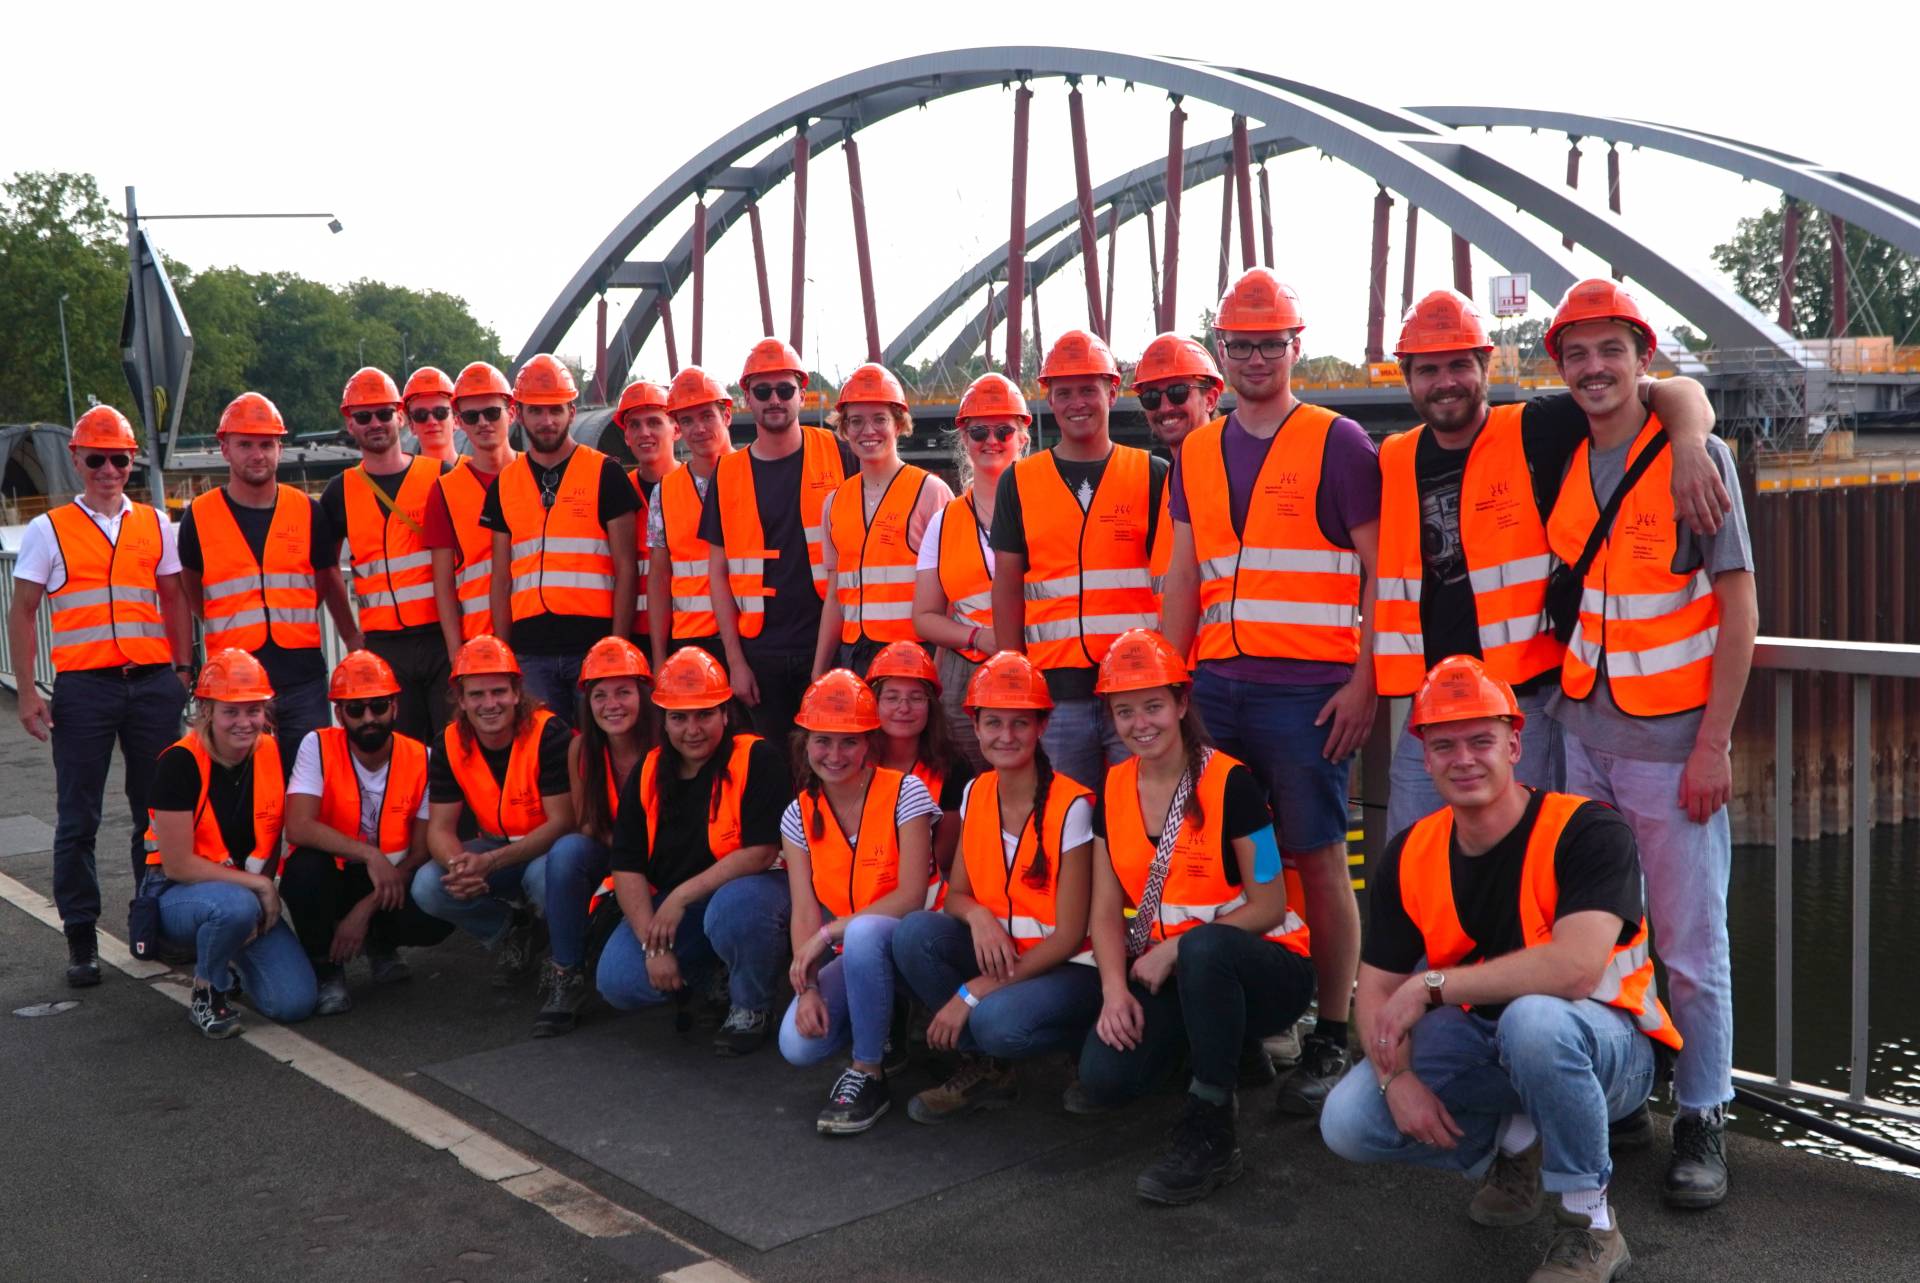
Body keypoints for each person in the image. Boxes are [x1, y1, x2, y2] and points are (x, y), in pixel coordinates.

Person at [1319, 656, 1679, 1283]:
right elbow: (1374, 990)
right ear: (1424, 758)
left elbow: (1573, 970)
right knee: (1347, 1123)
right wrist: (1395, 1079)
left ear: (1515, 744)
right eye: (1445, 745)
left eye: (1481, 740)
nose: (1464, 759)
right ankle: (1518, 1141)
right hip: (1491, 1042)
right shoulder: (1411, 852)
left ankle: (1590, 1224)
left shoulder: (1588, 830)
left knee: (1535, 1023)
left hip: (1612, 1054)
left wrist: (1432, 985)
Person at [1542, 279, 1757, 1211]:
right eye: (1577, 353)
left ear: (1642, 357)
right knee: (1603, 932)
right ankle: (1624, 1092)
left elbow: (1740, 607)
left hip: (1672, 747)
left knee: (1691, 945)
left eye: (1611, 351)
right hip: (1578, 730)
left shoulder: (1698, 457)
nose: (1594, 369)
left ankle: (1705, 1112)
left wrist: (1714, 744)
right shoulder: (1561, 450)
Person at [1374, 289, 1731, 838]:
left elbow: (1672, 389)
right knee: (1413, 861)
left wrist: (1687, 443)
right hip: (1433, 709)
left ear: (1485, 366)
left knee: (1525, 870)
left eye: (1459, 365)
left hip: (1525, 707)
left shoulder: (1535, 428)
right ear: (1408, 378)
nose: (1445, 381)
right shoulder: (1393, 458)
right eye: (1428, 369)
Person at [1160, 267, 1378, 1115]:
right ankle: (1260, 1013)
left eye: (1270, 342)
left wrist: (1367, 678)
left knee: (1320, 857)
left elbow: (1379, 572)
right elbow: (1185, 575)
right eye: (1240, 344)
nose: (1256, 357)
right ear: (1223, 351)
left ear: (1297, 345)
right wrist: (1174, 684)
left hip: (1310, 691)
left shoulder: (1338, 441)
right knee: (1241, 858)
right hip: (1219, 685)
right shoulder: (1198, 450)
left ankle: (1332, 1023)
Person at [1075, 629, 1316, 1205]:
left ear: (1182, 704)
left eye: (1154, 706)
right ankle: (1227, 1051)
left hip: (1266, 971)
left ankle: (1213, 1128)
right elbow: (1105, 911)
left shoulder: (1232, 782)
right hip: (1180, 976)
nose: (1141, 723)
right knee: (1104, 1080)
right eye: (1125, 710)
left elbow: (1270, 905)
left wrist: (1176, 948)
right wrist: (1114, 991)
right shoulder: (1111, 788)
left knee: (1205, 949)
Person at [8, 405, 193, 987]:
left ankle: (151, 919)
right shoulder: (49, 529)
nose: (109, 469)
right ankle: (81, 939)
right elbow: (22, 611)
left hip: (151, 685)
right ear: (77, 460)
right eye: (97, 459)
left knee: (157, 812)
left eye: (120, 458)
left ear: (132, 460)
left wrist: (182, 671)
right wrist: (28, 695)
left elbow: (174, 598)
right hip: (85, 689)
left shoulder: (156, 524)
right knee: (77, 817)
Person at [891, 650, 1102, 1125]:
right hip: (1004, 952)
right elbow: (958, 892)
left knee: (995, 1021)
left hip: (1068, 968)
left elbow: (1069, 937)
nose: (1005, 736)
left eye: (1020, 724)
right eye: (994, 723)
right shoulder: (976, 792)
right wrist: (979, 917)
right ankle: (989, 1069)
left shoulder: (1073, 807)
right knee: (912, 933)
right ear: (976, 725)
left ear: (1042, 727)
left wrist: (972, 992)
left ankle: (1078, 1039)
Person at [989, 330, 1167, 792]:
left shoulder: (1152, 476)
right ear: (1048, 398)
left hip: (1137, 689)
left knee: (1142, 812)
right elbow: (1007, 586)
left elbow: (1175, 583)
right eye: (1063, 392)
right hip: (1056, 692)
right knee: (1067, 820)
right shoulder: (1020, 482)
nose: (1076, 402)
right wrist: (1014, 674)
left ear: (1112, 390)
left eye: (1088, 389)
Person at [593, 646, 792, 1057]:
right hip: (675, 904)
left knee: (734, 910)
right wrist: (655, 946)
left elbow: (760, 851)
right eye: (679, 718)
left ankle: (751, 1005)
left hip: (752, 891)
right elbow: (626, 864)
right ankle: (712, 972)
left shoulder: (757, 758)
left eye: (704, 714)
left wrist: (681, 898)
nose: (692, 729)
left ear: (725, 714)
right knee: (619, 982)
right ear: (663, 721)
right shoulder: (649, 770)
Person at [777, 670, 937, 1134]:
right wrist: (805, 989)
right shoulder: (797, 814)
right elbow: (804, 910)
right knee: (797, 1045)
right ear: (805, 743)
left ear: (869, 742)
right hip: (858, 950)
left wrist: (830, 933)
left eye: (848, 742)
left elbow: (910, 896)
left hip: (915, 939)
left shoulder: (905, 792)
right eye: (822, 741)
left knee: (865, 932)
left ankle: (867, 1071)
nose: (834, 755)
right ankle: (881, 1023)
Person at [140, 649, 315, 1036]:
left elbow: (269, 840)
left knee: (294, 1003)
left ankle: (231, 957)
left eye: (253, 710)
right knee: (232, 907)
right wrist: (260, 887)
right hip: (180, 896)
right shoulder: (178, 763)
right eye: (230, 711)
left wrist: (260, 888)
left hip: (242, 897)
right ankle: (208, 991)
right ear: (206, 711)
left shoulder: (269, 752)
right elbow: (178, 865)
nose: (244, 722)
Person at [180, 391, 352, 777]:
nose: (257, 455)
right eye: (245, 445)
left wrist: (352, 640)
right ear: (224, 448)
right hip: (231, 687)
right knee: (239, 795)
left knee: (310, 787)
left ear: (280, 448)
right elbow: (192, 589)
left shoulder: (307, 511)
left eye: (266, 445)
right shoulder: (200, 516)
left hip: (301, 677)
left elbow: (325, 581)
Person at [281, 649, 452, 1015]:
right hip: (336, 874)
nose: (369, 718)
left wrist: (366, 909)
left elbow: (421, 850)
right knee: (303, 871)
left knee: (437, 896)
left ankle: (380, 944)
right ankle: (327, 970)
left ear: (395, 706)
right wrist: (369, 854)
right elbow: (297, 826)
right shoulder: (317, 745)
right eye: (356, 710)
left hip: (390, 880)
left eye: (378, 706)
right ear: (339, 713)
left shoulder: (422, 758)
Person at [702, 337, 854, 739]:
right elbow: (717, 573)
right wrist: (735, 662)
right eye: (763, 391)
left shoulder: (839, 454)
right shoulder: (727, 473)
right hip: (760, 653)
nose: (775, 399)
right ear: (747, 397)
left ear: (802, 394)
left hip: (831, 643)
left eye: (785, 389)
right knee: (769, 769)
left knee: (831, 761)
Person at [412, 636, 575, 1000]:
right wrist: (460, 867)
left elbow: (562, 822)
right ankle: (514, 931)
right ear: (461, 699)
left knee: (543, 878)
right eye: (477, 695)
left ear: (518, 692)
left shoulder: (549, 733)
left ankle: (567, 956)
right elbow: (439, 828)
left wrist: (488, 862)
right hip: (494, 850)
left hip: (546, 848)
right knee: (428, 884)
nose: (489, 704)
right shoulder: (449, 742)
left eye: (499, 691)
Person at [482, 353, 641, 725]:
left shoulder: (606, 473)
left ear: (572, 411)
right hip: (530, 651)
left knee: (597, 753)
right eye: (536, 411)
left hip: (594, 645)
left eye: (556, 409)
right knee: (547, 755)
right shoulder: (505, 483)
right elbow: (501, 578)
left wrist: (616, 647)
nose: (547, 420)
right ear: (519, 413)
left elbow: (626, 569)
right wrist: (504, 654)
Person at [322, 367, 452, 742]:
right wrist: (350, 637)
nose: (375, 423)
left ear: (400, 416)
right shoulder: (339, 492)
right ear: (350, 423)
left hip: (440, 639)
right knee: (404, 751)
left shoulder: (439, 477)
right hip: (383, 645)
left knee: (452, 746)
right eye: (363, 416)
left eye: (383, 413)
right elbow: (327, 569)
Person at [912, 372, 1029, 770]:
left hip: (1038, 657)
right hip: (966, 669)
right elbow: (925, 617)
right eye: (979, 432)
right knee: (969, 787)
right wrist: (980, 637)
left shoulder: (1046, 506)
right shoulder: (944, 523)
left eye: (1004, 431)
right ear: (965, 439)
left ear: (1023, 438)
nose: (991, 441)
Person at [538, 636, 654, 1037]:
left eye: (624, 692)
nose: (612, 705)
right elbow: (586, 824)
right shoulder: (580, 750)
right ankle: (566, 972)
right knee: (566, 852)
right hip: (613, 852)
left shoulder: (665, 744)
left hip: (664, 861)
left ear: (644, 694)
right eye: (600, 695)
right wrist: (624, 857)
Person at [813, 362, 951, 677]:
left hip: (913, 656)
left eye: (880, 419)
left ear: (899, 424)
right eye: (856, 421)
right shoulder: (834, 503)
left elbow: (951, 593)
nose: (868, 431)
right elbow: (836, 594)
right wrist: (819, 671)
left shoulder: (930, 492)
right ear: (845, 429)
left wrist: (939, 670)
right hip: (853, 655)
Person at [425, 361, 520, 662]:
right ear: (459, 421)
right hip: (479, 644)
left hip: (536, 637)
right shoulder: (445, 490)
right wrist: (456, 655)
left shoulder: (535, 476)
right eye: (471, 415)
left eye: (492, 412)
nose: (483, 423)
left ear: (512, 413)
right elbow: (444, 586)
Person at [865, 641, 971, 886]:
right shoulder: (854, 760)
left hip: (927, 888)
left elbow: (944, 857)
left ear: (930, 707)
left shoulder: (954, 766)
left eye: (916, 698)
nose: (904, 708)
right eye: (892, 697)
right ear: (874, 704)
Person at [650, 367, 735, 670]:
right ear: (677, 427)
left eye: (706, 416)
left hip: (751, 634)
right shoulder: (664, 491)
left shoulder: (755, 475)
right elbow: (659, 579)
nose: (698, 428)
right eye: (687, 420)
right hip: (691, 638)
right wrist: (660, 659)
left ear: (726, 416)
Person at [616, 379, 679, 654]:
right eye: (635, 425)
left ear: (675, 428)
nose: (644, 432)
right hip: (633, 632)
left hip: (689, 629)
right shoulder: (615, 493)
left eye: (654, 422)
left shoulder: (695, 488)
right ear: (626, 437)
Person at [1130, 333, 1224, 458]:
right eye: (1151, 397)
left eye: (1178, 392)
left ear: (1210, 400)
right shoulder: (1173, 475)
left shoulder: (1237, 467)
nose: (1165, 408)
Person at [403, 366, 462, 463]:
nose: (431, 421)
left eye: (440, 412)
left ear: (456, 421)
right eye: (421, 415)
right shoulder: (403, 478)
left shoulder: (476, 474)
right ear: (411, 426)